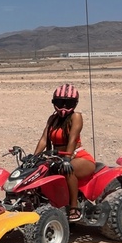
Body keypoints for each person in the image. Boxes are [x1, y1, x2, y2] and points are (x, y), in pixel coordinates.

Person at [33, 84, 95, 222]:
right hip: (57, 156)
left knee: (67, 169)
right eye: (60, 103)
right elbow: (44, 139)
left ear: (75, 104)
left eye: (68, 103)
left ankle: (74, 207)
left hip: (78, 156)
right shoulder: (52, 119)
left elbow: (73, 138)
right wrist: (34, 157)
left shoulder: (76, 117)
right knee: (38, 170)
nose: (63, 107)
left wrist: (67, 158)